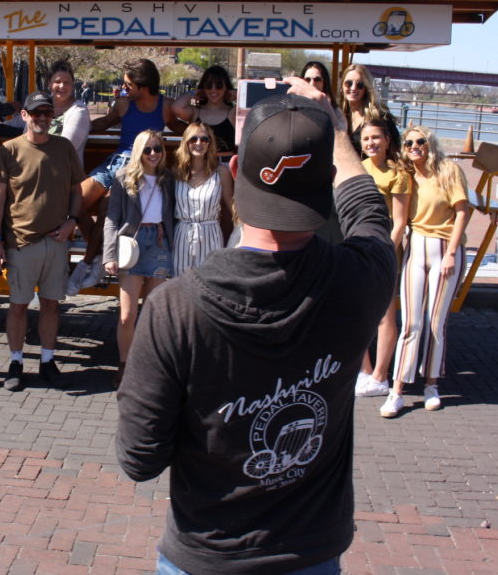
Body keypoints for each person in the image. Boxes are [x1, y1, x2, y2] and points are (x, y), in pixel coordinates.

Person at [116, 78, 395, 575]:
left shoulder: (174, 308)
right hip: (311, 553)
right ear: (327, 179)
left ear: (237, 169)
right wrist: (334, 126)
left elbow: (139, 459)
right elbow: (369, 214)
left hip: (205, 555)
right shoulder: (360, 280)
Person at [0, 91, 84, 391]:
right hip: (20, 242)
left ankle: (47, 360)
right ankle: (16, 362)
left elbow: (77, 190)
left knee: (51, 305)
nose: (42, 118)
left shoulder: (64, 147)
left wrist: (72, 222)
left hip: (56, 242)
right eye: (36, 113)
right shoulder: (9, 149)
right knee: (18, 306)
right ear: (25, 116)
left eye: (47, 112)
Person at [68, 59, 179, 295]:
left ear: (143, 84)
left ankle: (88, 262)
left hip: (140, 167)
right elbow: (104, 123)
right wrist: (72, 123)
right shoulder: (123, 105)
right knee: (75, 201)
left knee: (109, 206)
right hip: (115, 163)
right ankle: (98, 254)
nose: (124, 87)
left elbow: (182, 128)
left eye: (128, 84)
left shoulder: (165, 106)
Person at [381, 125, 470, 418]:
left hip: (444, 248)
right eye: (408, 143)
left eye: (420, 141)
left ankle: (432, 384)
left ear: (430, 143)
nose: (414, 146)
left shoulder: (449, 171)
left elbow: (461, 211)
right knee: (410, 323)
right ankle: (397, 390)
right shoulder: (407, 176)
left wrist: (453, 254)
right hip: (415, 248)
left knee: (435, 322)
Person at [102, 130, 175, 389]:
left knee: (153, 313)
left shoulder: (168, 178)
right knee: (127, 315)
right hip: (131, 243)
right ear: (139, 152)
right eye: (148, 149)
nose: (153, 154)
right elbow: (111, 219)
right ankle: (125, 364)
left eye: (157, 148)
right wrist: (109, 255)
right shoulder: (123, 178)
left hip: (158, 241)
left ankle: (148, 366)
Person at [356, 117, 410, 398]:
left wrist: (385, 251)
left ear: (387, 140)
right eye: (366, 139)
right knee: (359, 312)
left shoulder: (398, 174)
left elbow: (400, 221)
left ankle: (380, 375)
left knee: (385, 313)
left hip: (385, 251)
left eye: (376, 137)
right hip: (359, 248)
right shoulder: (358, 169)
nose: (371, 143)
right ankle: (364, 371)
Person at [172, 121, 234, 277]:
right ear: (186, 142)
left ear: (210, 144)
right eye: (193, 139)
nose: (198, 143)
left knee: (209, 284)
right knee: (181, 283)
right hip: (182, 235)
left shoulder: (221, 172)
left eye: (204, 139)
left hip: (210, 233)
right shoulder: (176, 172)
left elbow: (232, 205)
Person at [170, 65, 237, 152]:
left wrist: (236, 94)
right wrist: (194, 92)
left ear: (226, 88)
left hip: (224, 162)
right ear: (203, 88)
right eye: (209, 86)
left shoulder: (233, 113)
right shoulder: (196, 112)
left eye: (219, 86)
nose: (213, 90)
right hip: (199, 163)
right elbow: (176, 107)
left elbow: (254, 106)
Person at [338, 63, 394, 152]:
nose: (353, 88)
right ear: (342, 86)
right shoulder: (337, 115)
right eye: (348, 83)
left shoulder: (381, 117)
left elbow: (395, 150)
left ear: (366, 88)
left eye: (359, 85)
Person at [47, 60, 91, 166]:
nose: (62, 86)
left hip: (64, 171)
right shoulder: (40, 104)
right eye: (57, 81)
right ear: (49, 83)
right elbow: (22, 124)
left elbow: (65, 147)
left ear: (72, 85)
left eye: (67, 82)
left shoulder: (79, 110)